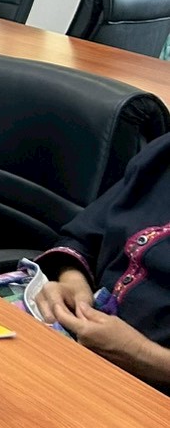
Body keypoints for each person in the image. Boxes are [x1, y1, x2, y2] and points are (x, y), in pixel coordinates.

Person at [32, 134, 170, 391]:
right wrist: (72, 281)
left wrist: (143, 354)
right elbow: (83, 236)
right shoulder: (163, 154)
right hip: (77, 345)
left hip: (151, 391)